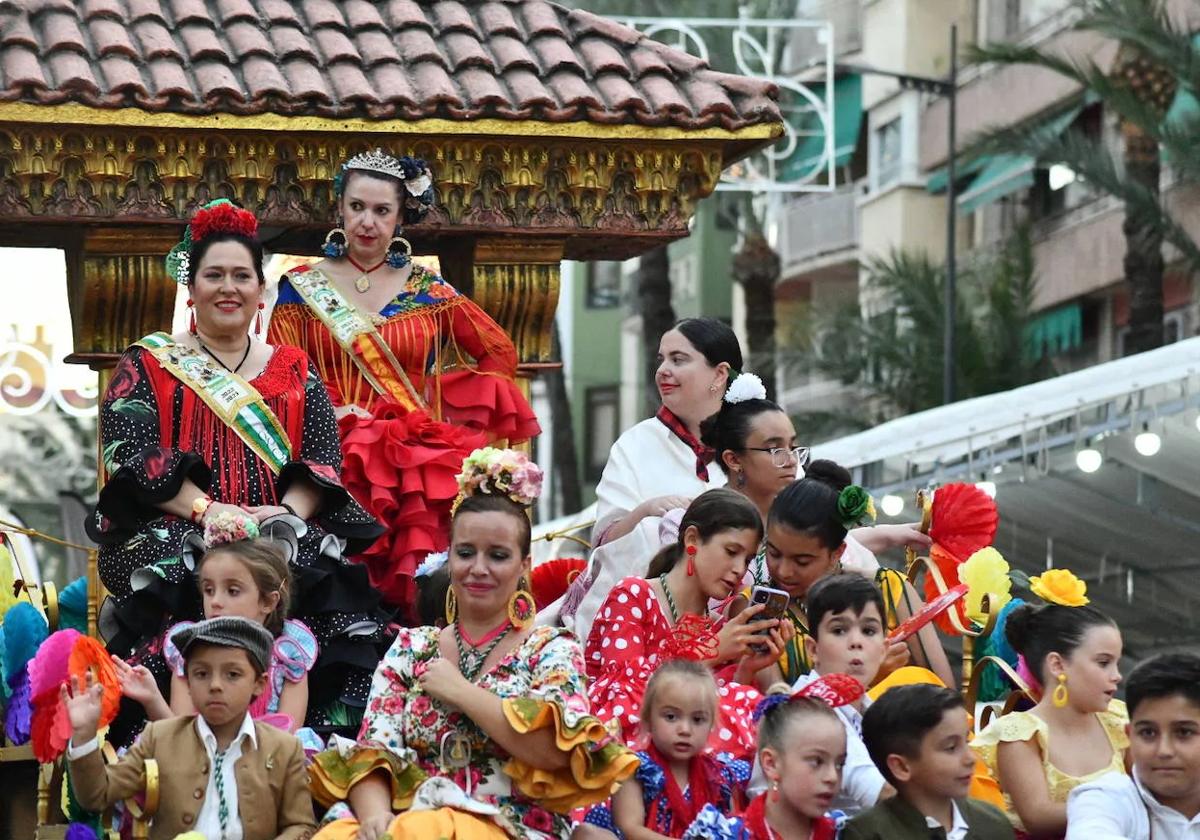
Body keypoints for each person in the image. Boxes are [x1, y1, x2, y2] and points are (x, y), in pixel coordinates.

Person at [86, 199, 387, 730]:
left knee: (333, 590)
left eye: (242, 276)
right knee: (180, 569)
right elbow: (127, 458)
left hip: (279, 531)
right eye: (214, 275)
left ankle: (315, 752)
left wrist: (281, 514)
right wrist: (209, 511)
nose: (229, 287)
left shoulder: (295, 367)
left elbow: (321, 459)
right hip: (180, 528)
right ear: (192, 288)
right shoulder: (149, 363)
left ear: (260, 291)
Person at [308, 447, 637, 840]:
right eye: (466, 553)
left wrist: (462, 692)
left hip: (510, 825)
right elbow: (375, 750)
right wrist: (376, 817)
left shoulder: (551, 648)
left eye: (497, 555)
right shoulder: (412, 646)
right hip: (409, 819)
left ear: (524, 566)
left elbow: (553, 752)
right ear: (449, 557)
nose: (478, 568)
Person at [268, 149, 538, 616]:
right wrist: (328, 412)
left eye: (381, 210)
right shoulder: (299, 287)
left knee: (423, 589)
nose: (367, 222)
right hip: (337, 452)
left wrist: (439, 402)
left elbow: (498, 353)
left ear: (400, 217)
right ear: (340, 210)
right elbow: (280, 374)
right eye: (356, 207)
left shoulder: (429, 290)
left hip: (416, 456)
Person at [559, 318, 741, 637]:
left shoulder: (754, 439)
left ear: (720, 374)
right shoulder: (636, 444)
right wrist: (646, 511)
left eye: (678, 359)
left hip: (737, 617)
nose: (662, 370)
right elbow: (603, 543)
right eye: (661, 359)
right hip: (640, 623)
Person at [64, 616, 315, 840]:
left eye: (232, 674)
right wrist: (84, 736)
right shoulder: (160, 738)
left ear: (259, 684)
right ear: (188, 681)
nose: (215, 685)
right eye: (202, 674)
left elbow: (301, 825)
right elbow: (96, 796)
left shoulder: (284, 748)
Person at [585, 488, 786, 758]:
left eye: (747, 559)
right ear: (692, 539)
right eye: (731, 551)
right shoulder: (634, 595)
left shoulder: (721, 627)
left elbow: (721, 714)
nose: (740, 569)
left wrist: (747, 670)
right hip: (627, 755)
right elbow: (619, 696)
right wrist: (710, 652)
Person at [729, 466, 953, 688]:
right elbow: (774, 712)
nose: (784, 571)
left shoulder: (889, 589)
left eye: (802, 561)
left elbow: (946, 693)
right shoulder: (754, 611)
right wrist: (869, 673)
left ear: (837, 552)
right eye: (774, 553)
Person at [113, 539, 316, 734]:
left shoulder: (289, 656)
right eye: (209, 590)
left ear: (268, 602)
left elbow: (287, 742)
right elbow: (179, 738)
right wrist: (152, 699)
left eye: (233, 591)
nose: (215, 601)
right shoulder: (190, 651)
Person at [971, 601, 1126, 838]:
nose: (1117, 676)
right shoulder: (1019, 735)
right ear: (1057, 664)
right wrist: (1122, 806)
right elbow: (1038, 817)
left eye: (1117, 663)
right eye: (1103, 663)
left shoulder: (1117, 720)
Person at [747, 573, 893, 815]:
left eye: (868, 631)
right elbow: (880, 793)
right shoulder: (810, 708)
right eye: (839, 630)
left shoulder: (870, 710)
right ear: (813, 650)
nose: (856, 642)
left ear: (884, 649)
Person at [586, 659, 749, 839]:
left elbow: (730, 829)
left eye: (697, 720)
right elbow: (630, 829)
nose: (685, 730)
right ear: (648, 719)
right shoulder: (635, 769)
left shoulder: (720, 776)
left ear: (711, 725)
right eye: (671, 717)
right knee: (588, 834)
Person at [842, 683, 1013, 840]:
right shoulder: (867, 833)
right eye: (951, 747)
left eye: (966, 742)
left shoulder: (993, 823)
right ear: (901, 766)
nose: (970, 759)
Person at [1066, 652, 1200, 839]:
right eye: (1148, 733)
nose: (1164, 751)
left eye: (1184, 732)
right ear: (1129, 735)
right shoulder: (1105, 798)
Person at [741, 676, 860, 840]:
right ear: (771, 763)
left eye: (840, 764)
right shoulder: (728, 835)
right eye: (816, 762)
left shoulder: (844, 834)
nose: (832, 777)